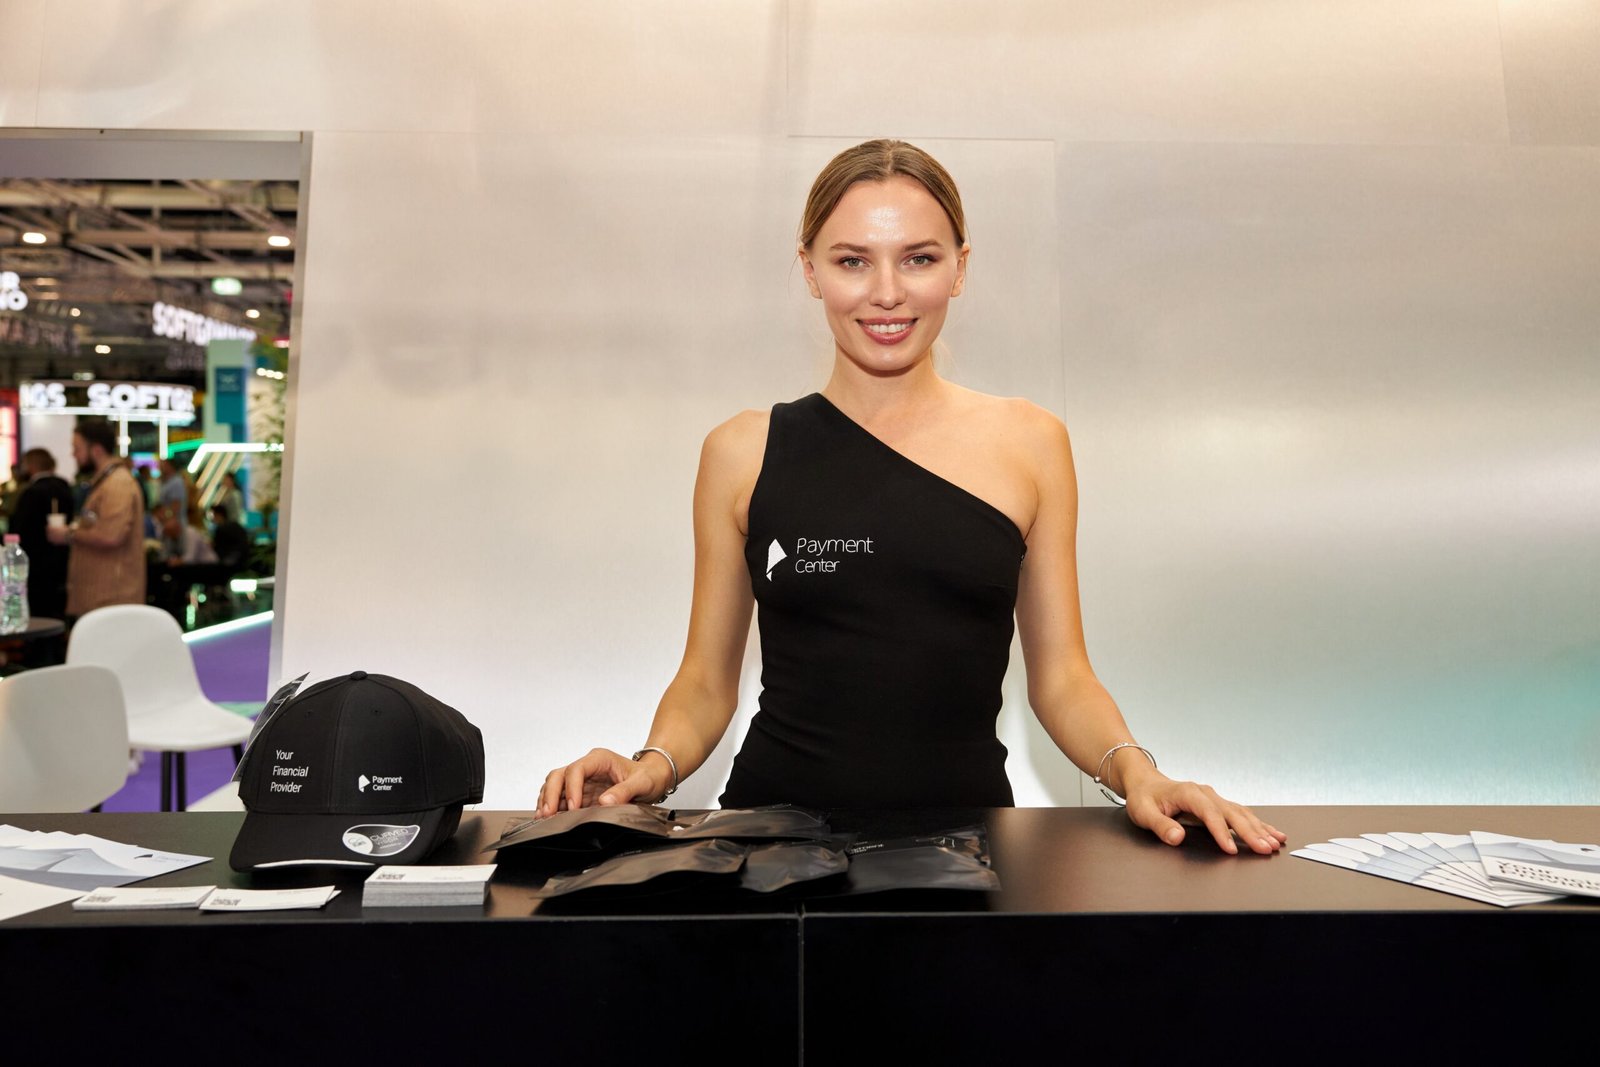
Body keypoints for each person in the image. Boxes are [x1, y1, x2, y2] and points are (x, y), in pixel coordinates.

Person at [541, 140, 1287, 856]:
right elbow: (706, 682)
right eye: (852, 261)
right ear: (809, 270)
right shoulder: (740, 451)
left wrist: (1139, 775)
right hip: (768, 852)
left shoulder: (1031, 442)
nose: (887, 292)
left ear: (960, 268)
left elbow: (1063, 679)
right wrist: (650, 767)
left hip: (968, 851)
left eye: (919, 258)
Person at [48, 419, 146, 619]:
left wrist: (69, 534)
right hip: (101, 600)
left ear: (97, 450)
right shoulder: (106, 482)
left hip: (112, 600)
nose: (73, 454)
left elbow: (111, 535)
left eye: (77, 448)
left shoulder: (117, 484)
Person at [8, 448, 75, 620]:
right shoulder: (66, 489)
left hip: (36, 568)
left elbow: (20, 531)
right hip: (63, 565)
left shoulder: (31, 492)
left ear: (30, 466)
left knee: (38, 616)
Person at [209, 504, 250, 570]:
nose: (212, 518)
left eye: (213, 515)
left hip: (228, 565)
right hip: (243, 562)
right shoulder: (236, 525)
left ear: (219, 515)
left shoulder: (221, 529)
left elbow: (217, 548)